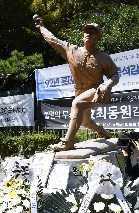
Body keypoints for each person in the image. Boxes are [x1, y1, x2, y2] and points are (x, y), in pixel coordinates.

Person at [33, 15, 119, 151]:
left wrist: (107, 85)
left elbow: (115, 75)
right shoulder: (72, 51)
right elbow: (53, 40)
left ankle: (68, 141)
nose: (88, 34)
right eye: (86, 31)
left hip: (95, 89)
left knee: (77, 104)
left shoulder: (104, 57)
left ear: (98, 37)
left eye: (93, 32)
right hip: (79, 90)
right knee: (85, 121)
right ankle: (102, 131)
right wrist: (42, 27)